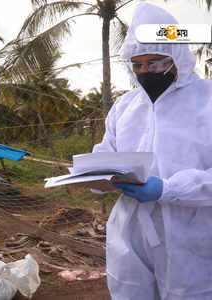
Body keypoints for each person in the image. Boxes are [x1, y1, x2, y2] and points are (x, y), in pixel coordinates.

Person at [93, 2, 212, 299]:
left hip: (193, 235)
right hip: (130, 232)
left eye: (156, 63)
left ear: (177, 57)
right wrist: (92, 177)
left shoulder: (207, 101)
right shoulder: (125, 106)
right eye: (138, 64)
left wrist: (169, 188)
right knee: (130, 291)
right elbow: (106, 155)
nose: (146, 71)